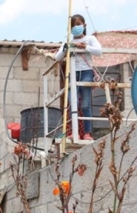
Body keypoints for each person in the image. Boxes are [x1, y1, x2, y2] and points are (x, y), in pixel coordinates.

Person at [55, 13, 102, 141]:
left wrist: (85, 47)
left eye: (78, 24)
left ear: (84, 25)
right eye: (73, 25)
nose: (76, 27)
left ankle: (87, 132)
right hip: (72, 74)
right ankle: (73, 132)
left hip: (86, 72)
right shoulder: (68, 42)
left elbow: (99, 51)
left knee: (85, 104)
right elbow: (57, 57)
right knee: (72, 103)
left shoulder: (90, 39)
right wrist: (65, 48)